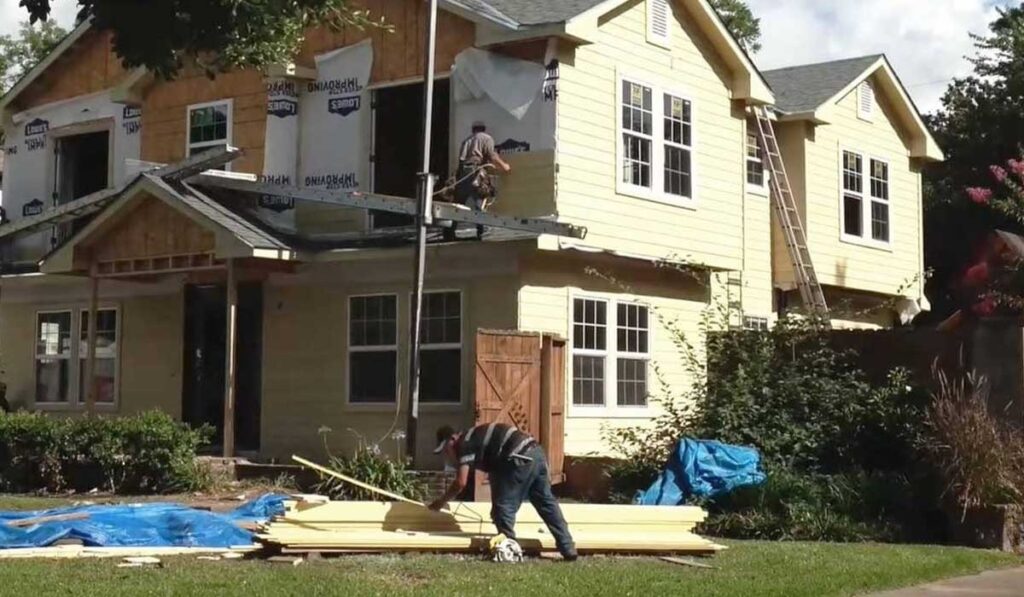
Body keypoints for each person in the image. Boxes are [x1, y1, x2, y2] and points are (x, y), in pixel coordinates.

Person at [429, 423, 578, 561]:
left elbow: (460, 482)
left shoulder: (463, 444)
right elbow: (496, 472)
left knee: (503, 507)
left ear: (453, 438)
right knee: (545, 502)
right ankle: (568, 548)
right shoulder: (476, 438)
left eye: (446, 450)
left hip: (517, 457)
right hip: (536, 454)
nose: (447, 455)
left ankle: (508, 548)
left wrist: (440, 502)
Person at [451, 121, 511, 239]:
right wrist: (504, 166)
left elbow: (460, 161)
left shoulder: (466, 141)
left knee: (458, 204)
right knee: (479, 200)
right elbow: (492, 155)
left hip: (463, 173)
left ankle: (449, 231)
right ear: (483, 129)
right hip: (475, 172)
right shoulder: (486, 138)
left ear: (473, 130)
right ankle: (481, 231)